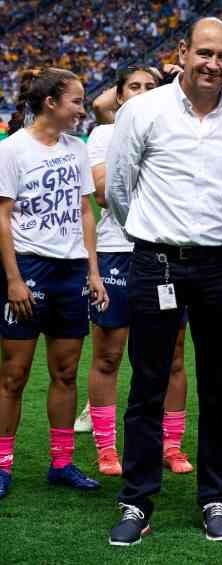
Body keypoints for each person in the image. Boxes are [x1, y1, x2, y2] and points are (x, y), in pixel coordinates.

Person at [104, 17, 222, 545]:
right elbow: (121, 189)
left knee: (219, 389)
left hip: (219, 266)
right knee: (148, 387)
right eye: (205, 53)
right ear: (182, 52)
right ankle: (135, 501)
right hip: (155, 262)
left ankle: (215, 496)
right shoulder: (141, 111)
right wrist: (157, 236)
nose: (214, 65)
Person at [74, 65, 197, 478]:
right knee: (108, 353)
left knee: (173, 357)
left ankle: (172, 444)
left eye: (151, 87)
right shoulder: (105, 135)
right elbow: (107, 195)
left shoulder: (178, 130)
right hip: (116, 253)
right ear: (120, 95)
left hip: (165, 253)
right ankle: (107, 448)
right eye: (134, 87)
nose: (143, 93)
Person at [0, 67, 109, 500]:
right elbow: (2, 218)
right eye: (77, 101)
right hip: (29, 268)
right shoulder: (12, 151)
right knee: (14, 375)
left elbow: (86, 212)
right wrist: (12, 279)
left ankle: (61, 463)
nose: (82, 109)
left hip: (71, 274)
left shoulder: (76, 150)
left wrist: (93, 271)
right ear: (51, 103)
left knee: (65, 372)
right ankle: (3, 465)